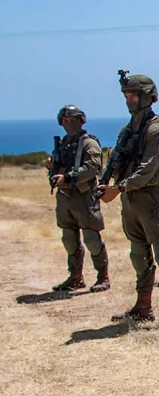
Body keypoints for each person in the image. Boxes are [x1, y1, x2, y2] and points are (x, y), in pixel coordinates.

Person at [100, 71, 159, 329]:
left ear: (148, 96)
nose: (130, 100)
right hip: (130, 199)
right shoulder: (129, 130)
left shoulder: (157, 129)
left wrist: (119, 187)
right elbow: (119, 161)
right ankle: (143, 306)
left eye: (134, 95)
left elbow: (149, 168)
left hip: (149, 198)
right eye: (127, 95)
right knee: (138, 254)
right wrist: (109, 181)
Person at [49, 105, 110, 293]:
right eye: (65, 121)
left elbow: (92, 167)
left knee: (91, 238)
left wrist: (68, 178)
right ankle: (75, 277)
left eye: (72, 120)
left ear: (80, 121)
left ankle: (103, 277)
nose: (68, 124)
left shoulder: (88, 143)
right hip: (65, 197)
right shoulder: (63, 143)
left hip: (84, 196)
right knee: (69, 238)